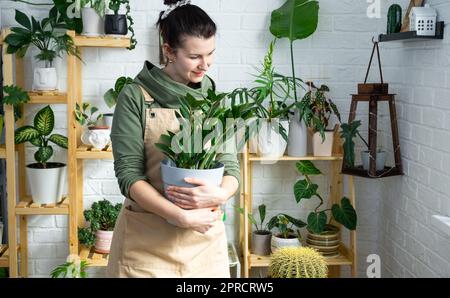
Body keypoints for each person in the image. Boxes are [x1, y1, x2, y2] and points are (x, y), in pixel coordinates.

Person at [106, 0, 240, 278]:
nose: (206, 64)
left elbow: (230, 165)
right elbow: (129, 175)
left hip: (204, 241)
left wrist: (221, 193)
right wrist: (179, 215)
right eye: (195, 57)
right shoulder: (135, 96)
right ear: (168, 50)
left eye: (211, 53)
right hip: (145, 244)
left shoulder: (213, 99)